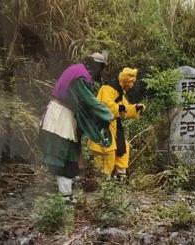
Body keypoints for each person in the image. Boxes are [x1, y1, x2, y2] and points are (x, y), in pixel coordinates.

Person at [38, 52, 114, 201]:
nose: (100, 72)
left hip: (64, 116)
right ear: (96, 66)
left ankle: (66, 194)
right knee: (65, 157)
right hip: (60, 118)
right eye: (100, 68)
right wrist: (107, 114)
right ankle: (64, 196)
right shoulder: (80, 76)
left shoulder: (78, 70)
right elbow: (89, 101)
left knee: (69, 156)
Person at [88, 67, 145, 178]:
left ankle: (120, 174)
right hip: (102, 125)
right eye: (131, 82)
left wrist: (135, 108)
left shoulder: (119, 92)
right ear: (126, 81)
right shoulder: (107, 88)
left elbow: (125, 108)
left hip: (114, 125)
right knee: (106, 151)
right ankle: (103, 178)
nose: (132, 85)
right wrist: (121, 108)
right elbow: (106, 106)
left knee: (123, 147)